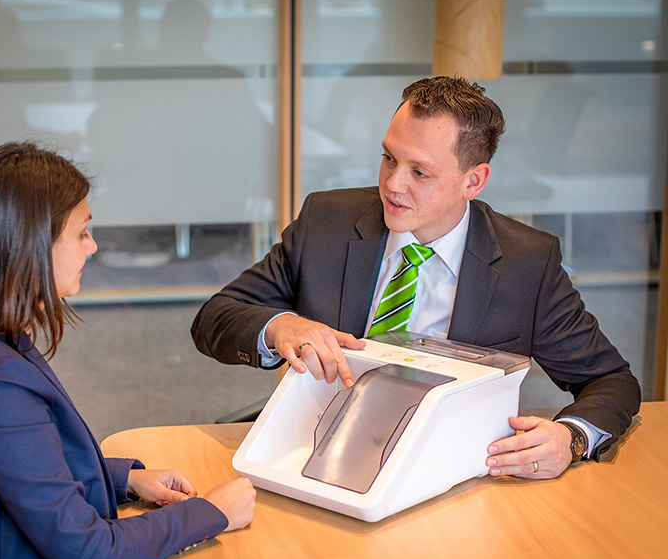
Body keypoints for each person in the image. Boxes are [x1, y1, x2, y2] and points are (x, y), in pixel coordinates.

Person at [192, 75, 640, 481]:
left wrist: (571, 437)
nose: (393, 184)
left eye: (420, 172)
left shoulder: (527, 264)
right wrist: (280, 327)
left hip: (451, 471)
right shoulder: (326, 222)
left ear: (473, 181)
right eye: (389, 158)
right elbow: (215, 318)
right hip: (318, 452)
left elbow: (611, 382)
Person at [0, 142, 255, 559]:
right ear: (30, 245)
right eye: (82, 232)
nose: (92, 247)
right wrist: (210, 512)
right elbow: (88, 553)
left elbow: (19, 469)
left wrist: (125, 480)